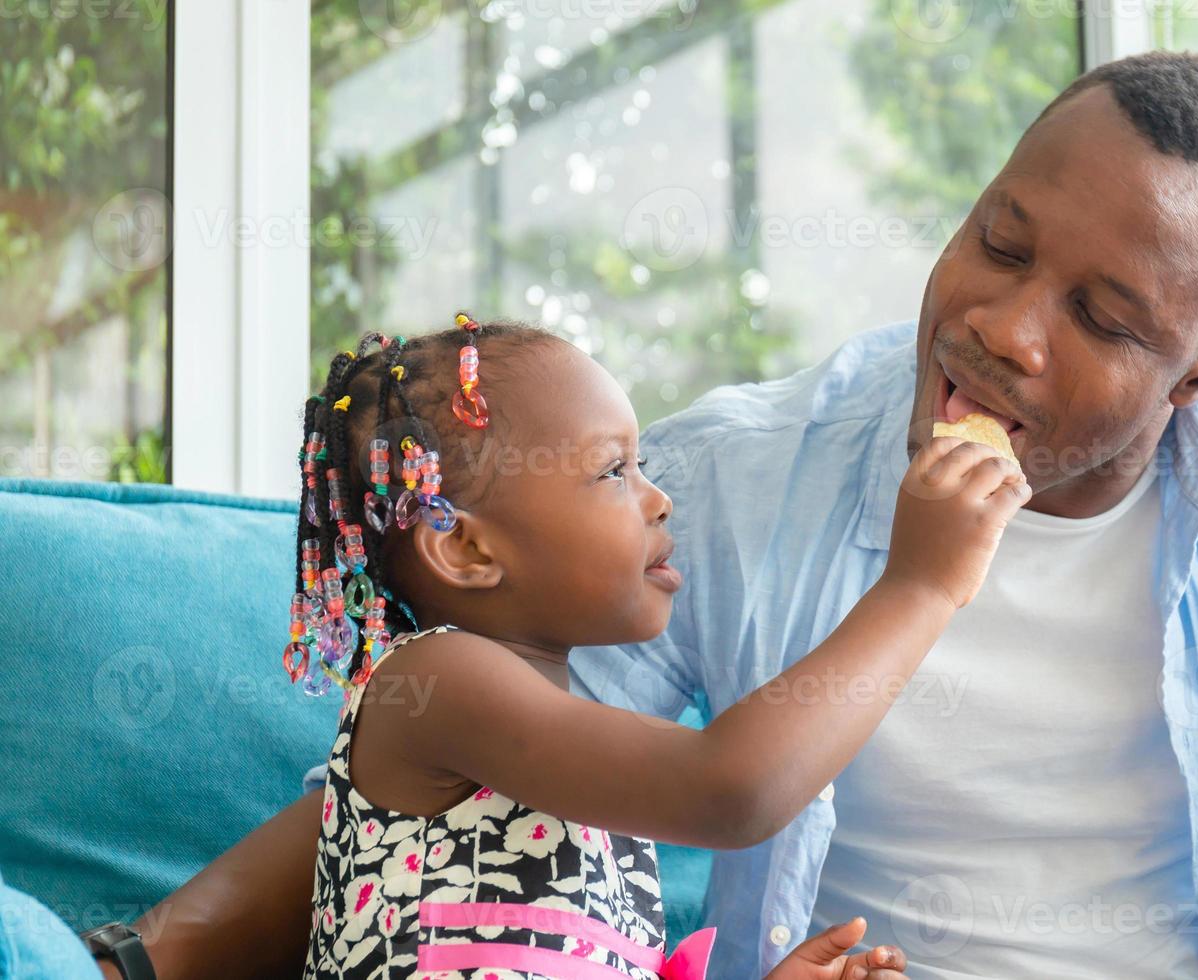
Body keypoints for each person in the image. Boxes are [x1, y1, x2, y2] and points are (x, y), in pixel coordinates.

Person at [96, 51, 1198, 980]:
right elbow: (471, 747)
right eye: (1003, 243)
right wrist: (163, 955)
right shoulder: (741, 477)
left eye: (1101, 318)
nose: (1002, 330)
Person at [287, 315, 1026, 979]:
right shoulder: (436, 682)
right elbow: (731, 791)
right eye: (614, 471)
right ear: (468, 549)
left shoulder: (580, 758)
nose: (659, 497)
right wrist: (919, 587)